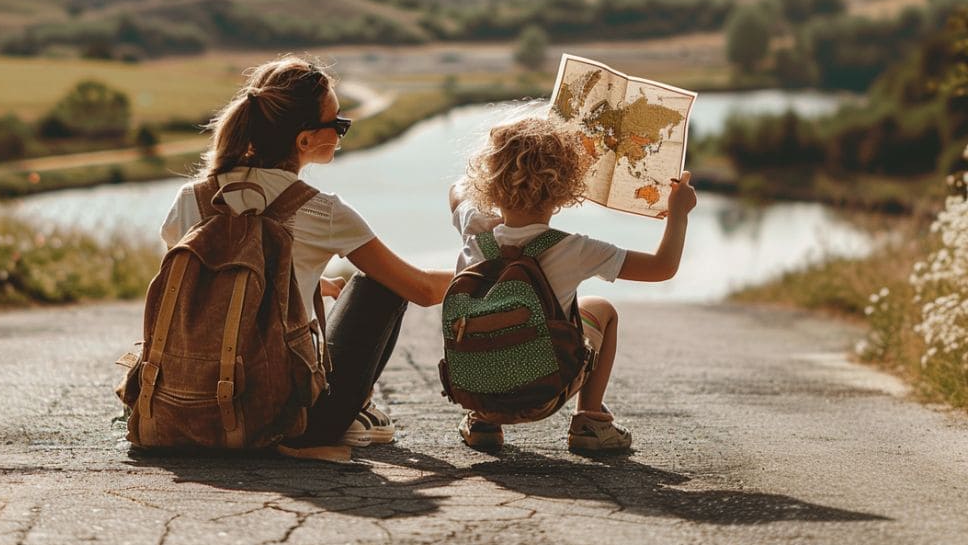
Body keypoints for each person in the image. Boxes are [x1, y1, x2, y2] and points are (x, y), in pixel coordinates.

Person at [160, 55, 453, 449]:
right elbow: (421, 289)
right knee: (378, 287)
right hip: (285, 418)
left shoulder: (190, 199)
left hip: (186, 408)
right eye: (338, 124)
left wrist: (309, 282)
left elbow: (214, 289)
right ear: (305, 140)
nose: (342, 131)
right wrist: (484, 269)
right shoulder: (321, 211)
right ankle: (353, 411)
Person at [448, 111, 696, 452]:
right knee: (601, 309)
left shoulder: (474, 228)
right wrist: (678, 213)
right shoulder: (573, 249)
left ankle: (483, 421)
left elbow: (456, 192)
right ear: (566, 187)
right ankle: (590, 421)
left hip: (477, 392)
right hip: (543, 394)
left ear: (489, 179)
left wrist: (484, 183)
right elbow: (662, 267)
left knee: (487, 319)